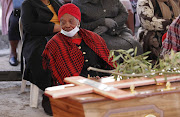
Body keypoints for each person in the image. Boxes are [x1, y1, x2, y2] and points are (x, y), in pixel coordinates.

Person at [42, 3, 114, 85]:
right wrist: (86, 81)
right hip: (72, 86)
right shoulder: (55, 44)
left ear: (78, 21)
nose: (67, 25)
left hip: (100, 81)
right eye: (63, 22)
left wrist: (104, 77)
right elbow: (59, 74)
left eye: (71, 21)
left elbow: (107, 63)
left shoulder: (93, 38)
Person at [21, 0, 63, 115]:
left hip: (60, 37)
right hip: (38, 39)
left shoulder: (57, 3)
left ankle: (70, 91)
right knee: (46, 55)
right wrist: (56, 28)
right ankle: (50, 93)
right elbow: (30, 27)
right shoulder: (28, 4)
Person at [72, 0, 143, 57]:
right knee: (113, 50)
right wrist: (101, 22)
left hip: (118, 30)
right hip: (97, 34)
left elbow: (124, 14)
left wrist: (109, 25)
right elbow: (79, 26)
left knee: (136, 45)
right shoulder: (78, 3)